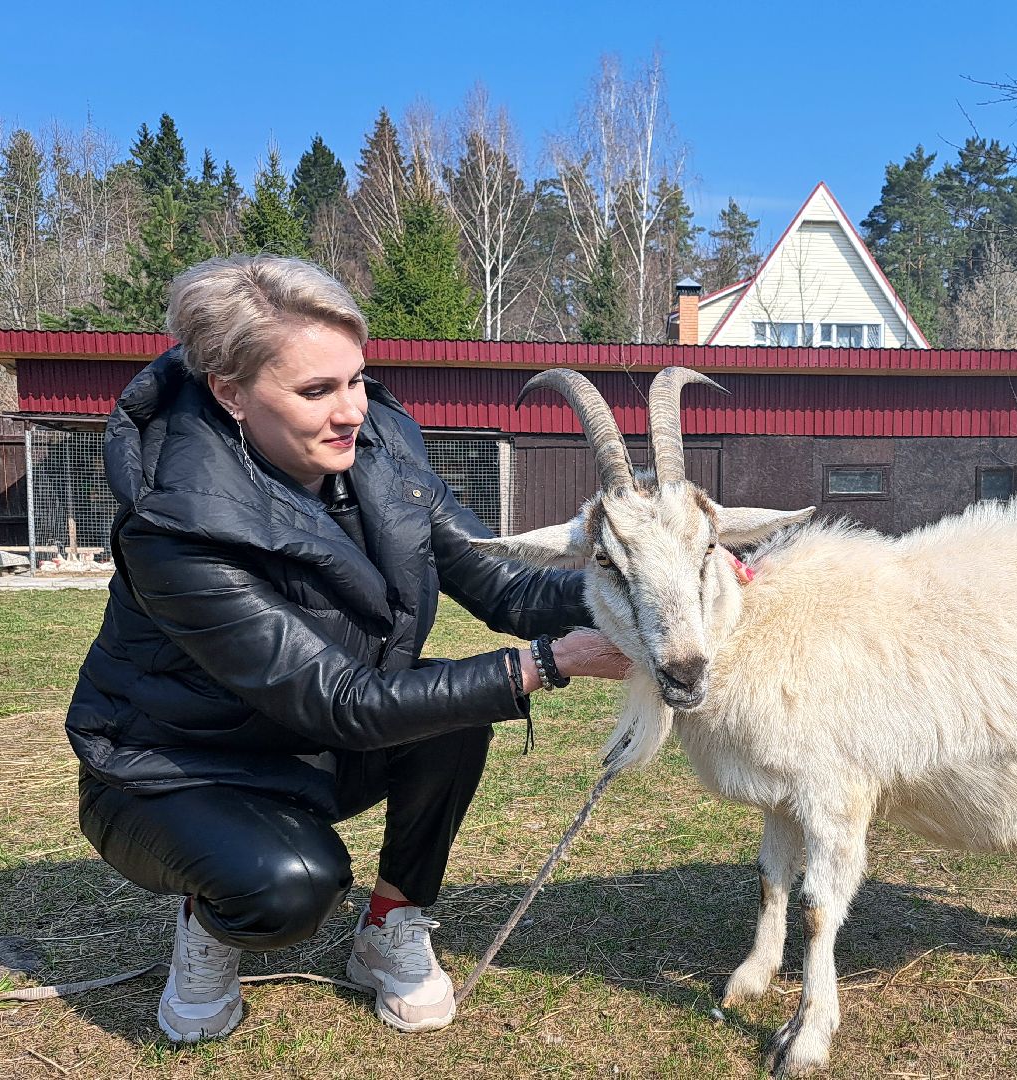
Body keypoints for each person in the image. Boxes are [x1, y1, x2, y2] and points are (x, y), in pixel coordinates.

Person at [65, 254, 631, 1045]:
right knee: (290, 888)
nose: (353, 410)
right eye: (315, 390)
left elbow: (508, 586)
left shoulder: (384, 458)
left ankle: (392, 925)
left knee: (455, 712)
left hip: (307, 748)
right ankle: (212, 923)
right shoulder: (175, 528)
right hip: (175, 772)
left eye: (357, 379)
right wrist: (550, 662)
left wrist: (660, 590)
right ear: (230, 392)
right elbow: (340, 702)